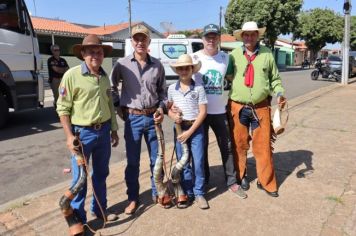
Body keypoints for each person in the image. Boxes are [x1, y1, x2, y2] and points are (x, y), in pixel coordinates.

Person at [56, 34, 119, 223]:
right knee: (80, 180)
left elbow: (109, 105)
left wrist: (114, 130)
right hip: (82, 135)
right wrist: (69, 137)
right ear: (83, 53)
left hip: (104, 131)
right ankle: (79, 220)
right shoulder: (71, 75)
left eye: (98, 52)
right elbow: (63, 108)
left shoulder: (105, 77)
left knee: (101, 174)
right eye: (90, 52)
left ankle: (100, 210)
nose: (95, 55)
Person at [110, 24, 166, 215]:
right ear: (132, 41)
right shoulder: (122, 64)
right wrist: (119, 108)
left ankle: (158, 192)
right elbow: (111, 88)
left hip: (153, 119)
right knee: (133, 162)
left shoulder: (157, 65)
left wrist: (161, 108)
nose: (140, 42)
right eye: (136, 39)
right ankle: (133, 198)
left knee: (156, 159)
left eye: (143, 39)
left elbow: (162, 93)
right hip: (132, 119)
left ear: (149, 41)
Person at [227, 21, 286, 197]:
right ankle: (241, 176)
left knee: (263, 146)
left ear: (257, 36)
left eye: (253, 34)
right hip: (238, 107)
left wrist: (279, 93)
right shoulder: (234, 55)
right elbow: (229, 75)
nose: (249, 37)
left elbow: (275, 78)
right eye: (246, 34)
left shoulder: (267, 54)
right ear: (242, 36)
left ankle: (266, 182)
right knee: (239, 144)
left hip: (260, 107)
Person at [191, 23, 247, 199]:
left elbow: (233, 79)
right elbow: (185, 81)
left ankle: (232, 181)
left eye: (214, 36)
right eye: (208, 36)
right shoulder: (194, 57)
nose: (211, 39)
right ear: (203, 39)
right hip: (200, 113)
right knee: (201, 148)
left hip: (220, 111)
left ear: (218, 39)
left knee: (227, 147)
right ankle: (204, 180)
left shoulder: (226, 58)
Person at [167, 54, 208, 209]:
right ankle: (188, 192)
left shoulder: (198, 88)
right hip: (179, 129)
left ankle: (199, 193)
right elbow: (169, 108)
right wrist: (172, 115)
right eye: (180, 68)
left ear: (192, 69)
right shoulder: (171, 88)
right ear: (177, 71)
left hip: (195, 129)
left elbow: (203, 112)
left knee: (198, 162)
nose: (184, 71)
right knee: (183, 163)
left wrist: (189, 132)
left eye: (186, 68)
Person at [47, 44, 69, 108]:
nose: (57, 51)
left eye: (58, 50)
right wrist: (63, 70)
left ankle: (61, 108)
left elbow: (68, 69)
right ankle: (58, 110)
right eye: (55, 50)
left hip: (62, 80)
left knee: (63, 95)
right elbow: (56, 69)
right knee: (57, 96)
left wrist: (61, 69)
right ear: (52, 51)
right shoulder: (50, 60)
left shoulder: (63, 60)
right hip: (54, 80)